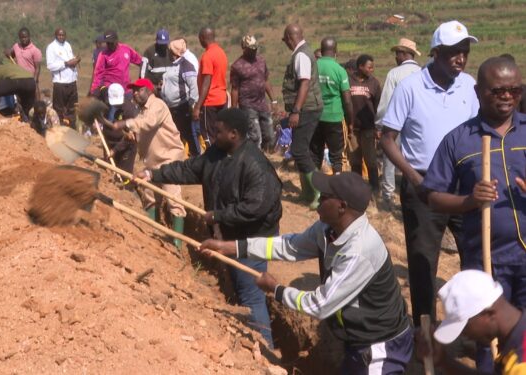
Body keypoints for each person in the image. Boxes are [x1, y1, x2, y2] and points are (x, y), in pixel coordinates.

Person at [200, 172, 412, 372]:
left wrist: (277, 290)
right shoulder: (328, 229)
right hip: (356, 341)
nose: (318, 198)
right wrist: (231, 247)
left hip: (380, 346)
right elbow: (289, 246)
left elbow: (320, 305)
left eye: (325, 196)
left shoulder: (359, 251)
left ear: (341, 207)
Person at [138, 107, 281, 348]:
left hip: (253, 239)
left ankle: (265, 348)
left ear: (234, 134)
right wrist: (153, 175)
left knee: (250, 293)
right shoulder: (217, 153)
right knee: (237, 285)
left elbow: (256, 207)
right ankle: (248, 339)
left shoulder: (255, 165)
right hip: (229, 234)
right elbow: (189, 169)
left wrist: (218, 215)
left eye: (218, 131)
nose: (213, 135)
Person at [422, 56, 526, 371]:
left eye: (514, 90)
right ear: (479, 91)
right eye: (498, 91)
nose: (507, 96)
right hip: (487, 261)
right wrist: (468, 200)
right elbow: (431, 196)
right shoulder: (459, 140)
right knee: (488, 338)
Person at [380, 20, 479, 327]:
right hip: (424, 186)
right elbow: (387, 138)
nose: (460, 59)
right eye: (453, 53)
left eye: (464, 52)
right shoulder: (411, 87)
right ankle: (426, 333)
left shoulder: (469, 85)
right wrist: (413, 178)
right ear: (436, 53)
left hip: (464, 185)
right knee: (424, 263)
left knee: (475, 257)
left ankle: (476, 326)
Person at [101, 79, 186, 245]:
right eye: (133, 90)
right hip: (151, 162)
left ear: (148, 90)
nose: (134, 93)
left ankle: (178, 244)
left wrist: (126, 123)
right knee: (148, 195)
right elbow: (141, 129)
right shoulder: (140, 112)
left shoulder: (158, 105)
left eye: (138, 90)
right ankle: (153, 235)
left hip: (169, 159)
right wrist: (132, 135)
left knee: (173, 198)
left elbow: (149, 123)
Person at [417, 270, 526, 374]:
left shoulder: (520, 365)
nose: (464, 335)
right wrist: (444, 362)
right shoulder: (515, 341)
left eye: (464, 326)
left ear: (488, 314)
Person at [281, 24, 324, 208]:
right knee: (301, 151)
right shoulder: (303, 52)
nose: (286, 45)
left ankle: (319, 193)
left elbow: (304, 84)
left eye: (286, 41)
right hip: (306, 108)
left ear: (290, 38)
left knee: (299, 150)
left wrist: (296, 111)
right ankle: (307, 193)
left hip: (306, 109)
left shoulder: (300, 55)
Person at [375, 38, 421, 209]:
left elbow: (386, 102)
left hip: (397, 124)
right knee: (412, 160)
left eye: (397, 54)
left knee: (390, 158)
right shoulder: (423, 73)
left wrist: (380, 125)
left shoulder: (394, 74)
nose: (395, 57)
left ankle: (388, 197)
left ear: (403, 54)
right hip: (417, 125)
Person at [310, 36, 354, 179]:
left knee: (315, 154)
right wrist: (350, 121)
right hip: (335, 117)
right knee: (337, 156)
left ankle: (314, 189)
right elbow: (347, 101)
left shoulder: (313, 67)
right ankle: (337, 188)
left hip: (315, 116)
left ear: (321, 51)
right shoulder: (339, 70)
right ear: (335, 51)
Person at [230, 35, 277, 150]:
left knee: (270, 136)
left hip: (262, 103)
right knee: (255, 137)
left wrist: (273, 100)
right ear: (244, 48)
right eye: (251, 49)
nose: (254, 51)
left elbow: (265, 81)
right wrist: (234, 109)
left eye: (255, 48)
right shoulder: (237, 66)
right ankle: (254, 161)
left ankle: (267, 159)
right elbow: (235, 89)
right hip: (247, 105)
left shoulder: (261, 61)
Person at [348, 54, 381, 191]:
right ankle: (357, 189)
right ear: (360, 66)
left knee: (371, 160)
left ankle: (374, 188)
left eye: (372, 67)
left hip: (368, 128)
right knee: (355, 160)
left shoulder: (374, 83)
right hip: (352, 128)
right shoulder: (348, 81)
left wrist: (378, 127)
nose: (371, 70)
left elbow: (379, 105)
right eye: (369, 67)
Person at [162, 39, 200, 157]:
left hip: (182, 107)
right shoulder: (171, 65)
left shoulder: (186, 65)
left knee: (189, 135)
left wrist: (192, 105)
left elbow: (194, 87)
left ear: (173, 52)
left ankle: (196, 158)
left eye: (169, 51)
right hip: (171, 108)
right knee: (174, 135)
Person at [192, 27, 228, 146]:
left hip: (210, 101)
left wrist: (198, 106)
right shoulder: (221, 52)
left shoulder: (207, 56)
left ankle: (214, 162)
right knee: (220, 133)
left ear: (202, 38)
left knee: (208, 136)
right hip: (222, 99)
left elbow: (206, 82)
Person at [99, 83, 138, 176]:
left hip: (125, 145)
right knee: (108, 172)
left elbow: (131, 137)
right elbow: (98, 92)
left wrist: (115, 150)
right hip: (108, 141)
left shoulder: (130, 110)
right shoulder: (105, 95)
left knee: (124, 175)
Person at [46, 28, 80, 128]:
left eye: (63, 35)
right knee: (59, 110)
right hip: (60, 83)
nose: (61, 37)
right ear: (55, 35)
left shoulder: (67, 45)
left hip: (72, 82)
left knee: (72, 109)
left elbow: (70, 59)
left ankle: (72, 130)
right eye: (59, 35)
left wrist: (75, 60)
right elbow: (50, 66)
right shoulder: (51, 47)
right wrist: (66, 63)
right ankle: (58, 131)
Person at [90, 30, 143, 96]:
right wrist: (93, 90)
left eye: (111, 43)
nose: (109, 45)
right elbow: (98, 74)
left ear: (116, 40)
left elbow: (141, 62)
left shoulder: (126, 49)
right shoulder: (103, 55)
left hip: (126, 90)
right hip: (112, 91)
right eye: (108, 43)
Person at [7, 27, 42, 94]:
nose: (24, 39)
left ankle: (37, 104)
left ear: (29, 37)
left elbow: (37, 68)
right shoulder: (16, 46)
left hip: (30, 78)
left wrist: (35, 80)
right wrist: (7, 53)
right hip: (19, 77)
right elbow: (10, 55)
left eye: (25, 37)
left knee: (34, 93)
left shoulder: (35, 51)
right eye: (22, 37)